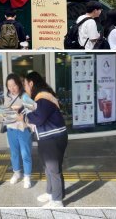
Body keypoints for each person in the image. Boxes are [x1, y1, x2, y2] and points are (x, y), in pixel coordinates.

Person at [18, 72, 67, 208]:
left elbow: (38, 119)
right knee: (48, 168)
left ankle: (57, 201)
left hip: (53, 137)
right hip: (47, 137)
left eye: (25, 84)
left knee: (53, 169)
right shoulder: (38, 97)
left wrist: (25, 118)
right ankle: (52, 193)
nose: (24, 87)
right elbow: (33, 112)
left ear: (31, 83)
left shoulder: (43, 97)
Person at [3, 74, 33, 189]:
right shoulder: (7, 96)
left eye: (14, 85)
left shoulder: (25, 96)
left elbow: (32, 114)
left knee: (25, 153)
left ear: (19, 84)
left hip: (23, 129)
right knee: (14, 153)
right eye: (9, 86)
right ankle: (17, 173)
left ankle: (27, 176)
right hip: (11, 129)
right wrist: (5, 113)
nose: (12, 88)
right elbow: (5, 112)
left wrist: (22, 115)